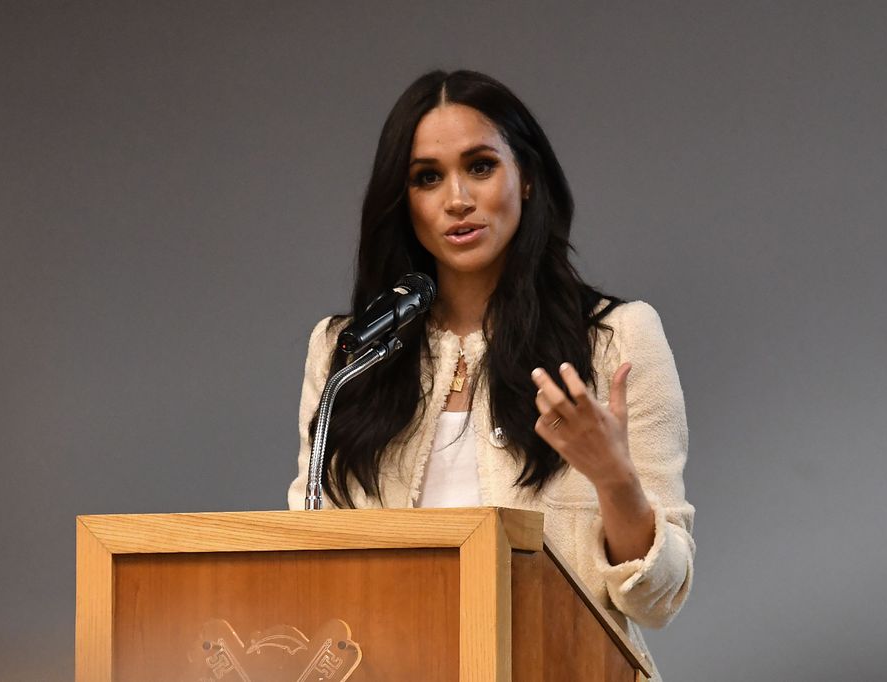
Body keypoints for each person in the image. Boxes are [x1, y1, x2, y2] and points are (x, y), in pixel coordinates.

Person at [287, 70, 693, 677]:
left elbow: (659, 596)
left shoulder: (616, 338)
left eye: (480, 166)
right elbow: (302, 558)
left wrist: (614, 479)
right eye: (428, 177)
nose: (457, 199)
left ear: (526, 178)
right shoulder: (346, 353)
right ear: (405, 203)